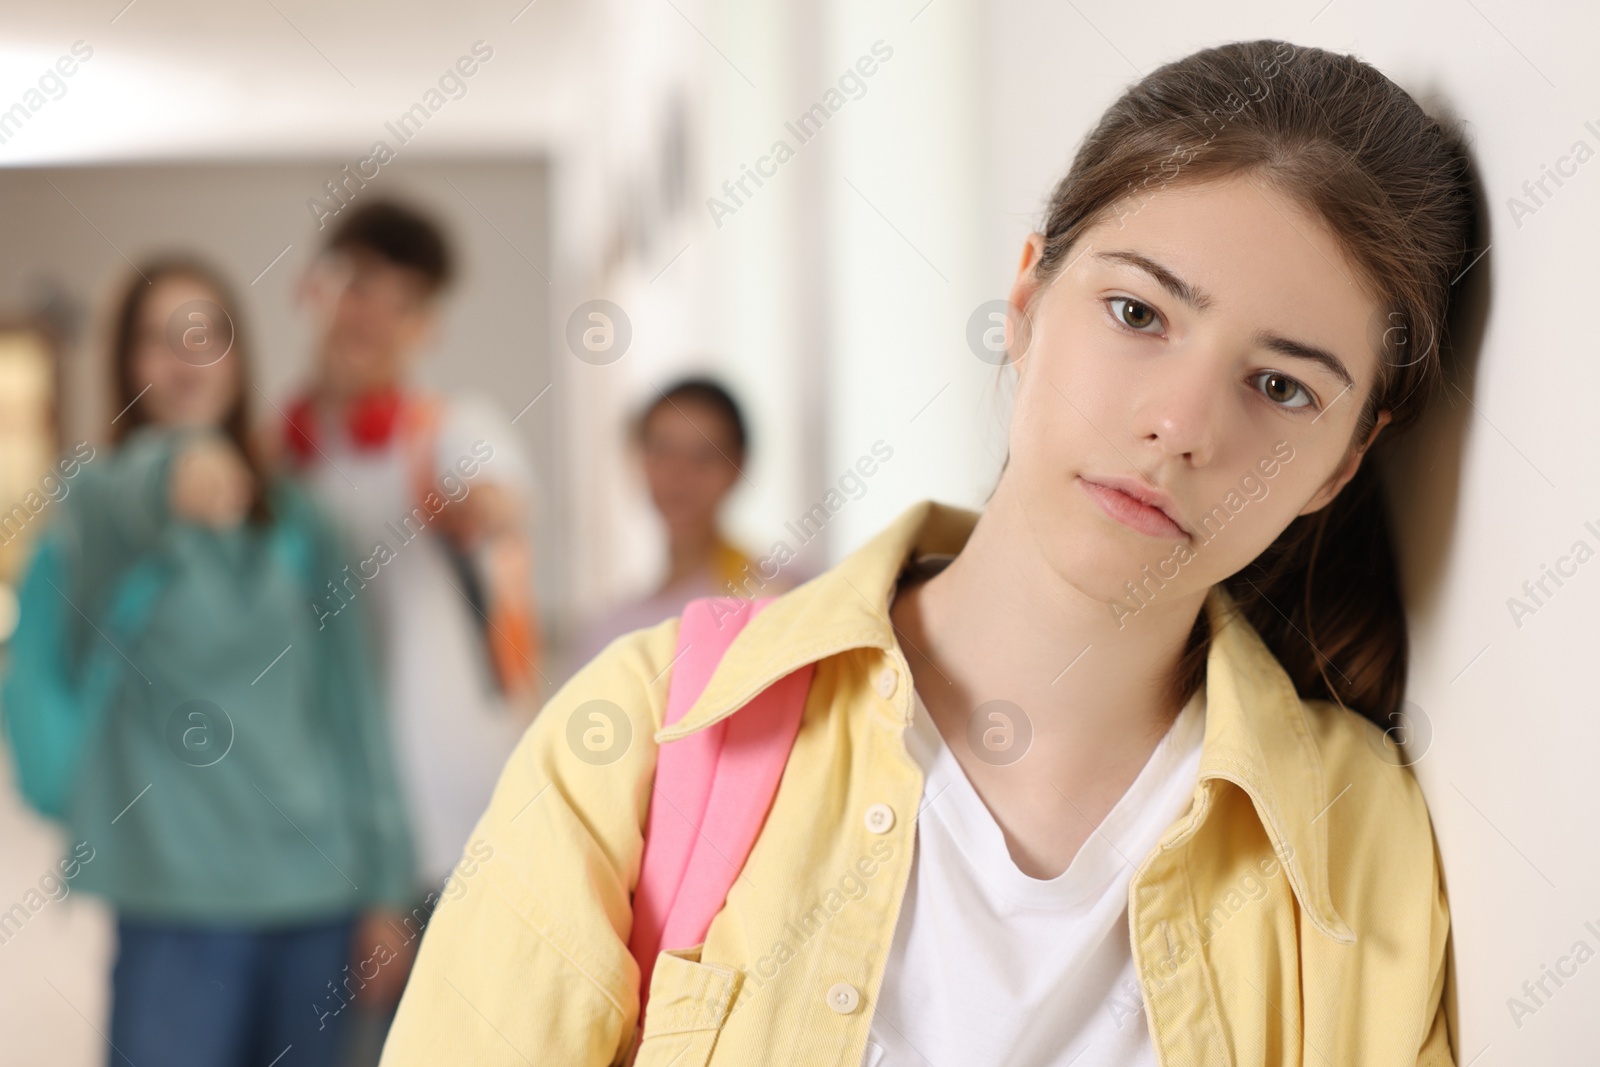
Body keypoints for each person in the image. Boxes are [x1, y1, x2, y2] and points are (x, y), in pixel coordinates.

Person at [377, 39, 1475, 1065]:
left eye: (1281, 386)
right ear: (1027, 300)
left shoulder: (1352, 840)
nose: (1180, 424)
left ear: (1341, 461)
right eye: (1138, 312)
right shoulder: (648, 730)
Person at [8, 257, 416, 1065]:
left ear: (240, 357)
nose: (186, 358)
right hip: (173, 904)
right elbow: (115, 500)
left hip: (317, 891)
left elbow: (353, 714)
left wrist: (385, 887)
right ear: (125, 364)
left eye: (206, 336)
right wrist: (172, 474)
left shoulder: (302, 520)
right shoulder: (98, 514)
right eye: (160, 339)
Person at [274, 199, 544, 1050]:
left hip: (457, 828)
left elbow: (497, 495)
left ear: (427, 327)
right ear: (312, 291)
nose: (372, 317)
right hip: (324, 837)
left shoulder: (450, 431)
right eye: (356, 287)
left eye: (402, 302)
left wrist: (478, 511)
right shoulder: (269, 458)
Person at [569, 377, 787, 674]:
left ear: (738, 465)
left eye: (704, 455)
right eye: (662, 450)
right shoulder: (606, 632)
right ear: (639, 459)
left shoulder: (778, 595)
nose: (679, 475)